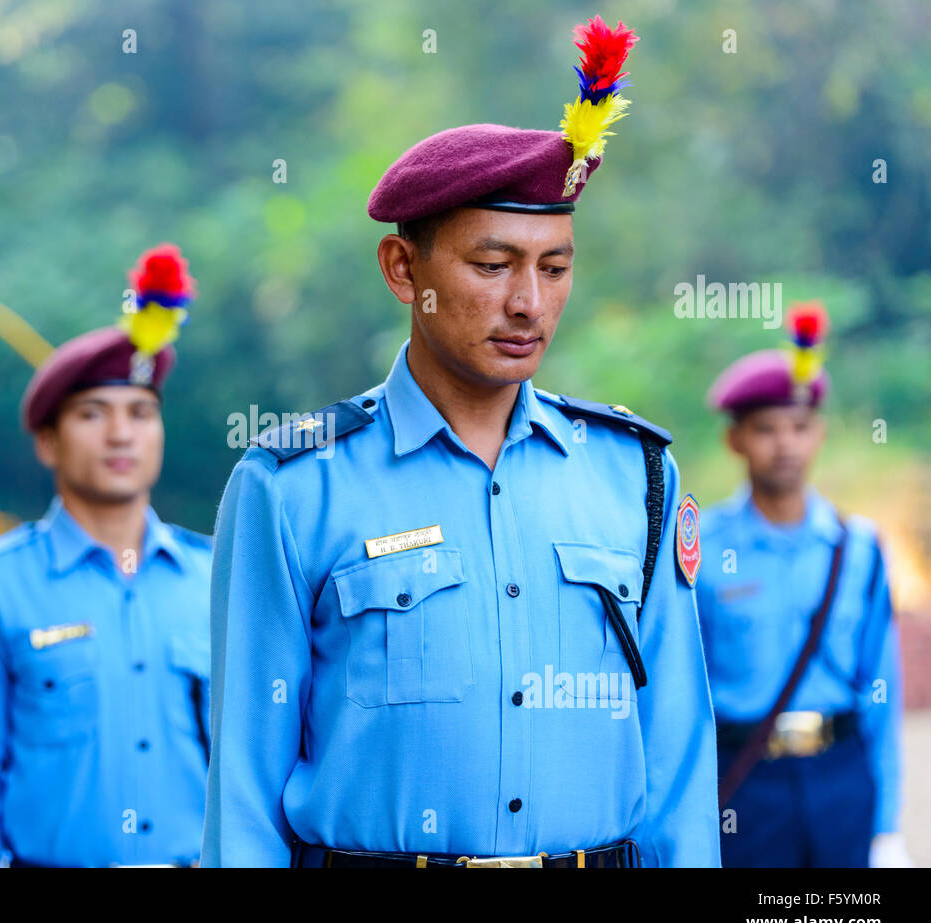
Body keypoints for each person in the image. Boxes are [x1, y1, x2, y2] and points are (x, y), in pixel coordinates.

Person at [203, 17, 720, 868]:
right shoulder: (293, 485)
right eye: (492, 265)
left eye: (555, 268)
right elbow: (244, 796)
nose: (529, 303)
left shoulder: (636, 475)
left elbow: (677, 759)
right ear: (405, 271)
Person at [0, 244, 213, 867]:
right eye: (93, 413)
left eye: (141, 413)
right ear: (46, 442)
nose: (121, 434)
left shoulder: (216, 580)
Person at [699, 301, 909, 868]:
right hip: (745, 785)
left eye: (799, 427)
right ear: (735, 440)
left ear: (819, 434)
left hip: (840, 775)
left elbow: (882, 692)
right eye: (765, 429)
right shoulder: (702, 550)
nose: (784, 445)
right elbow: (683, 696)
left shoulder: (858, 548)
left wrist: (887, 826)